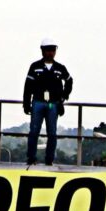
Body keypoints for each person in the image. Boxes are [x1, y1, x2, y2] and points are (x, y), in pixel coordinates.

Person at [23, 37, 73, 165]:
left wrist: (63, 97)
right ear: (42, 50)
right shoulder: (35, 67)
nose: (50, 52)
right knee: (34, 131)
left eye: (53, 49)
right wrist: (26, 104)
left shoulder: (59, 68)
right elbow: (28, 86)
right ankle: (31, 158)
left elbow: (69, 80)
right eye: (48, 50)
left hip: (53, 103)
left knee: (52, 133)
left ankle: (49, 160)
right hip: (38, 102)